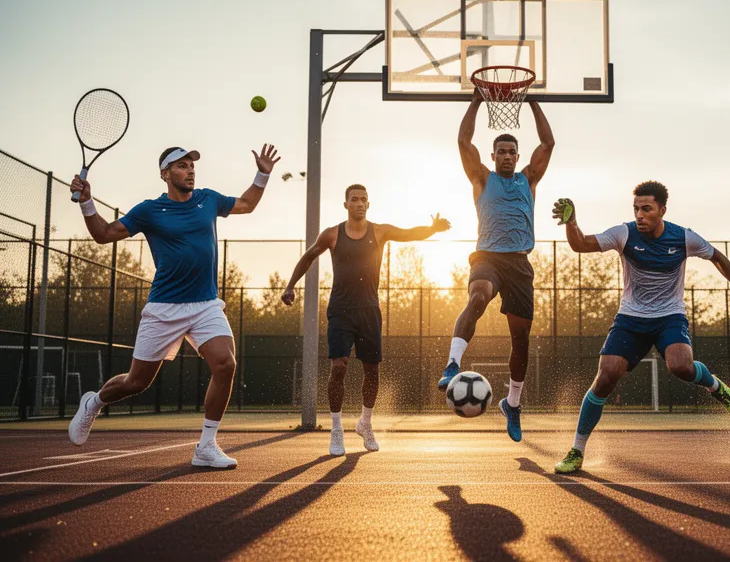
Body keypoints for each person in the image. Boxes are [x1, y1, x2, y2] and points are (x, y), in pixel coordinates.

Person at [68, 144, 280, 468]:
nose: (190, 170)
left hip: (205, 303)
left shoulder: (208, 199)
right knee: (136, 382)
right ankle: (94, 403)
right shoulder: (150, 210)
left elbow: (247, 203)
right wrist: (86, 202)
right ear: (165, 174)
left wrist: (263, 173)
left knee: (225, 364)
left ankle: (206, 447)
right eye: (181, 166)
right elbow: (104, 234)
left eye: (191, 165)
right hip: (164, 308)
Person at [551, 181, 730, 474]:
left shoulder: (684, 238)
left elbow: (718, 258)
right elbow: (580, 244)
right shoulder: (624, 234)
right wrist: (572, 222)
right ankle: (576, 451)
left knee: (681, 367)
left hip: (669, 316)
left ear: (662, 210)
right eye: (636, 209)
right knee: (606, 376)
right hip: (630, 319)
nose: (639, 215)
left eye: (646, 209)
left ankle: (716, 387)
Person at [282, 184, 450, 456]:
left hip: (369, 310)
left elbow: (408, 234)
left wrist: (432, 229)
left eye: (363, 200)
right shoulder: (332, 234)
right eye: (354, 200)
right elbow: (309, 255)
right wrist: (290, 285)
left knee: (372, 371)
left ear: (368, 205)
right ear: (346, 204)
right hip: (340, 310)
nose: (359, 203)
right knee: (339, 366)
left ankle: (365, 423)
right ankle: (336, 430)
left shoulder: (379, 231)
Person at [436, 90, 555, 443]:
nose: (506, 155)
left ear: (518, 156)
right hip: (487, 257)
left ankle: (512, 404)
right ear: (493, 156)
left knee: (520, 339)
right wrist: (476, 100)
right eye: (500, 151)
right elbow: (462, 139)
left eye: (511, 151)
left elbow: (548, 142)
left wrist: (532, 101)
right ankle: (453, 363)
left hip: (519, 263)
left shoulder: (528, 179)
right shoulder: (482, 179)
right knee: (477, 298)